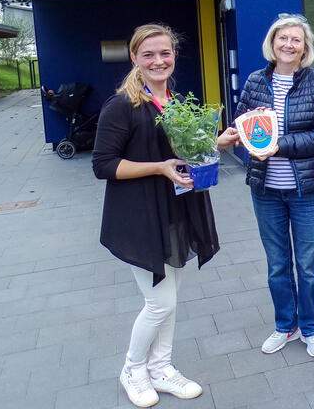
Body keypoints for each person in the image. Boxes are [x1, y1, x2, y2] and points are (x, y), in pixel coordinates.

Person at [93, 23, 238, 408]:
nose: (158, 61)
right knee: (161, 302)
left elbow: (184, 152)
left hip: (172, 210)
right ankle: (133, 369)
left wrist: (215, 142)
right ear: (134, 58)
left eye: (165, 53)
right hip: (139, 216)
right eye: (149, 54)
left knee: (169, 297)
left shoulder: (174, 99)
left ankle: (161, 368)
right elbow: (103, 165)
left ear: (174, 56)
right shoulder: (123, 105)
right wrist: (158, 167)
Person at [235, 13, 314, 358]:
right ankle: (285, 325)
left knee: (308, 266)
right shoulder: (253, 82)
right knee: (277, 264)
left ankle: (310, 327)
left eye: (296, 39)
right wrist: (239, 138)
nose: (288, 44)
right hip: (265, 191)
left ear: (305, 46)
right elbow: (242, 123)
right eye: (283, 38)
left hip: (307, 190)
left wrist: (278, 145)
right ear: (272, 43)